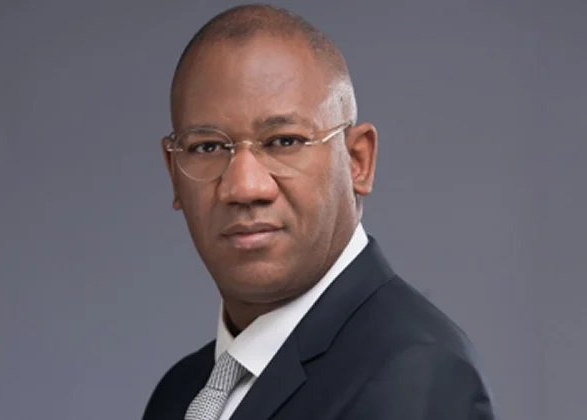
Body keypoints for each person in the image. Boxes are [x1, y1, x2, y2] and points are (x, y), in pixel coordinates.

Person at [142, 4, 496, 420]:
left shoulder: (415, 376)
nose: (244, 187)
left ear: (357, 161)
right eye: (208, 147)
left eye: (284, 141)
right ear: (174, 173)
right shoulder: (179, 395)